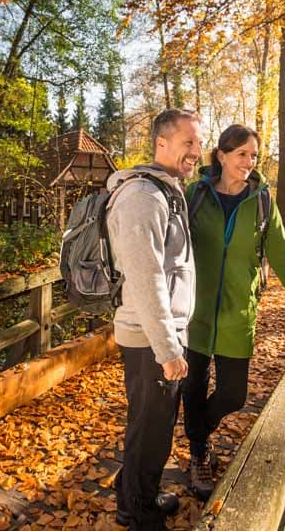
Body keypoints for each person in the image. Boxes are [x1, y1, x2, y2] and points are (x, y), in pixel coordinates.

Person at [183, 124, 285, 500]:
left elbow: (283, 258)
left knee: (233, 395)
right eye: (242, 155)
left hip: (238, 314)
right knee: (193, 387)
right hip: (192, 313)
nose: (249, 163)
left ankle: (196, 434)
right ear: (221, 155)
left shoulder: (263, 201)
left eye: (254, 156)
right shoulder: (195, 195)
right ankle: (199, 455)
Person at [106, 108, 203, 530]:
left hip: (158, 332)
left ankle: (133, 488)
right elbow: (146, 279)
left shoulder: (163, 191)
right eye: (188, 143)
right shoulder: (142, 197)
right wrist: (168, 348)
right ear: (161, 143)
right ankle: (138, 512)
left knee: (149, 423)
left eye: (199, 143)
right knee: (152, 430)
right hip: (150, 337)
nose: (197, 152)